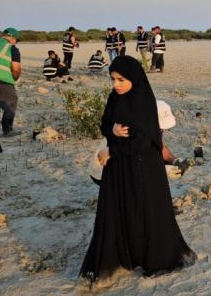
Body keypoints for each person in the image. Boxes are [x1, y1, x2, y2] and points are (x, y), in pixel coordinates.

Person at [79, 56, 196, 285]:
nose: (116, 85)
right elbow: (104, 122)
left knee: (145, 212)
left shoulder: (145, 102)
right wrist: (111, 129)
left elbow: (145, 140)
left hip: (143, 168)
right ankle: (126, 255)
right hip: (118, 169)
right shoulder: (114, 98)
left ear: (133, 78)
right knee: (120, 210)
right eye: (113, 79)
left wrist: (112, 152)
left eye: (121, 80)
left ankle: (150, 257)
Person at [89, 99, 190, 184]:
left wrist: (174, 160)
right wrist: (162, 170)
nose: (162, 130)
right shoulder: (128, 130)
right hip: (104, 172)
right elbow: (132, 164)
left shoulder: (151, 128)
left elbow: (160, 147)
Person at [0, 28, 22, 137]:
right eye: (16, 41)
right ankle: (7, 130)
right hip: (2, 81)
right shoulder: (12, 48)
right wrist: (15, 78)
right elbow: (16, 69)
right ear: (13, 38)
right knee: (10, 104)